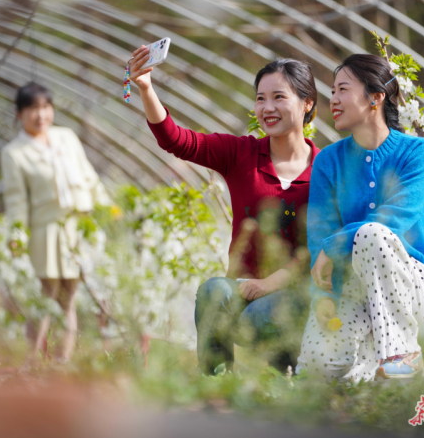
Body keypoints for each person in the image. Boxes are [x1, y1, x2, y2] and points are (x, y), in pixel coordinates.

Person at [128, 46, 320, 374]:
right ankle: (217, 382)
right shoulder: (240, 153)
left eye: (279, 97)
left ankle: (289, 379)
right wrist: (146, 88)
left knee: (264, 319)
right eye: (261, 99)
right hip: (241, 289)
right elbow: (176, 140)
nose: (267, 108)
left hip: (296, 292)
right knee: (214, 291)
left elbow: (325, 244)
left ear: (307, 103)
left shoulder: (326, 167)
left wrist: (272, 282)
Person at [296, 54, 424, 382]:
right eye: (332, 91)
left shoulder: (419, 152)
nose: (333, 99)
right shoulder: (328, 161)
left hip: (411, 279)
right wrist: (323, 296)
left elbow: (394, 219)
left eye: (343, 90)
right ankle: (375, 370)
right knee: (317, 372)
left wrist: (333, 247)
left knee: (373, 234)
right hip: (351, 283)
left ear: (375, 97)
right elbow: (320, 231)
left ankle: (401, 359)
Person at [0, 82, 110, 364]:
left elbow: (88, 175)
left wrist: (108, 207)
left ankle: (63, 362)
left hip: (76, 228)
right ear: (19, 114)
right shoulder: (14, 153)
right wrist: (17, 235)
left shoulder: (66, 137)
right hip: (46, 232)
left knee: (68, 300)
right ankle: (31, 362)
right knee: (44, 300)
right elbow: (16, 200)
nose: (41, 115)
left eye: (46, 107)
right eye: (33, 109)